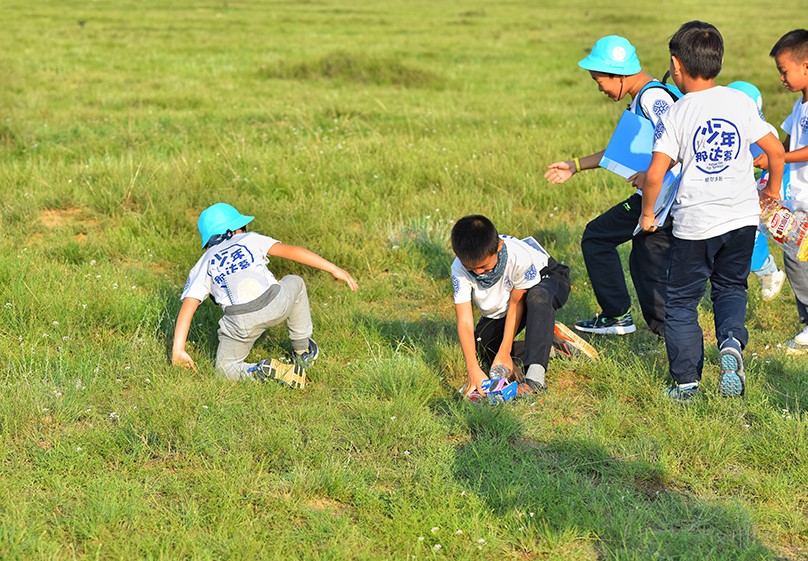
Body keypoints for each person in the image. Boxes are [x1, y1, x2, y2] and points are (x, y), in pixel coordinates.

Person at [640, 21, 785, 401]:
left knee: (682, 301)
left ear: (676, 65)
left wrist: (647, 215)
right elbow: (775, 151)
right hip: (742, 220)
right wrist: (771, 190)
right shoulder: (739, 101)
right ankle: (731, 342)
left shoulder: (677, 113)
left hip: (696, 225)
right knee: (731, 287)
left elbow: (655, 174)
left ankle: (687, 384)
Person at [545, 35, 679, 338]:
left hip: (663, 197)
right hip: (659, 195)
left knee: (597, 237)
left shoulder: (652, 99)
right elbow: (619, 152)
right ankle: (666, 332)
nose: (600, 89)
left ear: (618, 75)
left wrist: (652, 172)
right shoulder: (642, 97)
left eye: (599, 81)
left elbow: (681, 141)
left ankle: (619, 317)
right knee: (645, 258)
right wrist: (574, 165)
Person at [171, 202, 358, 384]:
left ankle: (258, 370)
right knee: (296, 282)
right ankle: (303, 350)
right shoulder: (250, 239)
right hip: (276, 304)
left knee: (225, 368)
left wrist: (178, 349)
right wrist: (334, 269)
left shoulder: (203, 264)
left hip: (241, 323)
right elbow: (292, 251)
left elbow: (188, 307)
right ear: (236, 230)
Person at [451, 215, 596, 398]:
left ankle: (535, 379)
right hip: (511, 297)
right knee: (482, 346)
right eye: (472, 269)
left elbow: (516, 303)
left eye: (485, 268)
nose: (479, 273)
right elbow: (464, 321)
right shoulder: (459, 268)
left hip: (548, 278)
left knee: (538, 297)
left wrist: (505, 350)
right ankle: (552, 345)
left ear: (499, 247)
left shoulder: (518, 257)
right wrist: (472, 368)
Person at [726, 81, 788, 301]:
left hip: (758, 194)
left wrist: (765, 195)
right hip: (731, 193)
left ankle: (769, 271)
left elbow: (772, 170)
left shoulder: (764, 134)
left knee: (747, 238)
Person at [767, 29, 808, 354]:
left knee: (797, 261)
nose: (781, 78)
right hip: (798, 200)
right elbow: (786, 144)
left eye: (784, 71)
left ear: (806, 66)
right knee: (796, 260)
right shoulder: (799, 105)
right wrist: (769, 156)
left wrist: (778, 158)